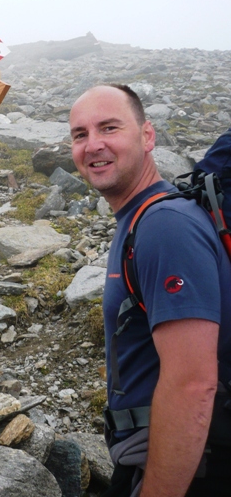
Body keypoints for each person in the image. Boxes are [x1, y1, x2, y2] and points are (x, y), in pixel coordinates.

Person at [69, 84, 231, 496]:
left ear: (147, 136)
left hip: (193, 470)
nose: (93, 145)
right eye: (80, 134)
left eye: (109, 127)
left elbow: (193, 384)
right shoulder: (143, 216)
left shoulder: (165, 227)